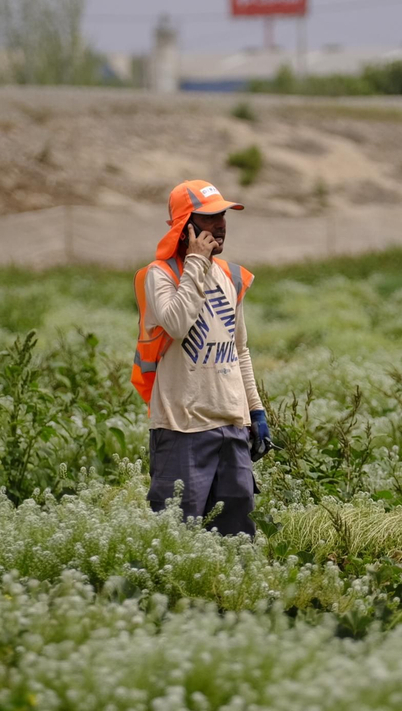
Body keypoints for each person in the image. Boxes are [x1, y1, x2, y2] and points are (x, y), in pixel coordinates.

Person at [131, 179, 273, 537]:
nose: (221, 224)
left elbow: (240, 349)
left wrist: (255, 411)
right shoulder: (160, 275)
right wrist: (195, 261)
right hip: (182, 430)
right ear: (185, 227)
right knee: (176, 540)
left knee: (238, 540)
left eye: (222, 215)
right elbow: (177, 323)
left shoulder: (231, 276)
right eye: (209, 218)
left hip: (231, 427)